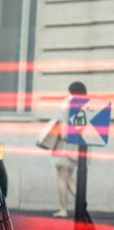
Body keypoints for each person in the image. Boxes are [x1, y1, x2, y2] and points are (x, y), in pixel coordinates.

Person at [38, 80, 87, 218]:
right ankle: (81, 203)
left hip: (65, 146)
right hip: (78, 146)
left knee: (61, 177)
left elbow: (64, 132)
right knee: (68, 177)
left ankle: (65, 208)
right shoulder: (85, 105)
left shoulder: (67, 104)